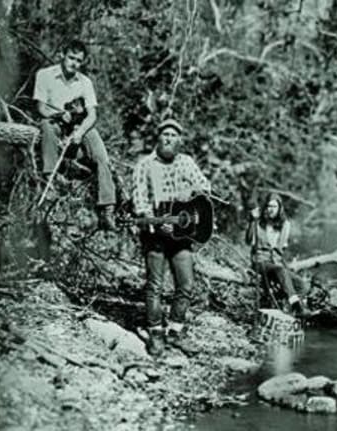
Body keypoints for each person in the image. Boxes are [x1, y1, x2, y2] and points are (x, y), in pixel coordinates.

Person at [132, 118, 211, 356]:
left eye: (173, 135)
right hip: (155, 234)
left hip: (182, 235)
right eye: (164, 134)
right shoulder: (144, 165)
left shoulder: (186, 162)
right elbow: (139, 202)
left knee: (186, 284)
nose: (168, 138)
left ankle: (175, 331)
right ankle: (155, 332)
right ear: (158, 138)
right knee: (155, 285)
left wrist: (192, 191)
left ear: (179, 140)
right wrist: (154, 223)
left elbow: (205, 187)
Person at [34, 39, 116, 229]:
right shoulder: (45, 75)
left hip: (79, 125)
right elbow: (41, 107)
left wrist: (79, 132)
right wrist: (59, 115)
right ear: (62, 54)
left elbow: (92, 114)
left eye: (78, 61)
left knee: (101, 156)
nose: (74, 63)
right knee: (47, 125)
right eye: (71, 58)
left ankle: (108, 209)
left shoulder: (85, 82)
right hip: (55, 121)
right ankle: (50, 180)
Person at [245, 193, 309, 317]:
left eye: (274, 206)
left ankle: (286, 309)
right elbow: (248, 241)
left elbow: (280, 250)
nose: (271, 209)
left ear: (280, 208)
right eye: (269, 206)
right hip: (260, 261)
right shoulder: (259, 223)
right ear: (265, 208)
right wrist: (252, 221)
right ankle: (296, 306)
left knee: (301, 285)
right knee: (280, 270)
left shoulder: (284, 225)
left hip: (276, 264)